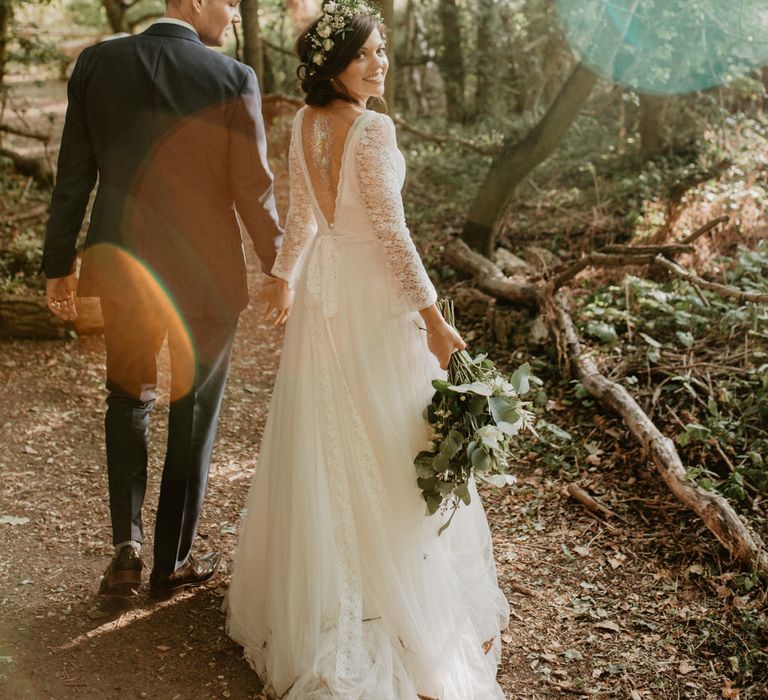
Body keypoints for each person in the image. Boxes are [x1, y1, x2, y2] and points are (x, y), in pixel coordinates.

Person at [224, 1, 510, 696]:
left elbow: (302, 221)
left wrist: (287, 280)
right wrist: (435, 320)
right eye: (366, 55)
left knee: (333, 433)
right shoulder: (372, 130)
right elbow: (392, 236)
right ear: (334, 66)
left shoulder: (304, 120)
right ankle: (392, 604)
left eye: (382, 50)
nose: (380, 63)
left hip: (327, 293)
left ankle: (326, 593)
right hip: (372, 300)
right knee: (388, 437)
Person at [42, 0, 283, 600]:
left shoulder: (98, 63)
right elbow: (254, 190)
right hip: (206, 278)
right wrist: (284, 268)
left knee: (127, 398)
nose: (232, 14)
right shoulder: (232, 78)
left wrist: (57, 264)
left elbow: (73, 174)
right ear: (195, 2)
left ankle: (126, 550)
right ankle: (169, 561)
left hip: (124, 269)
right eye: (229, 2)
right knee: (194, 411)